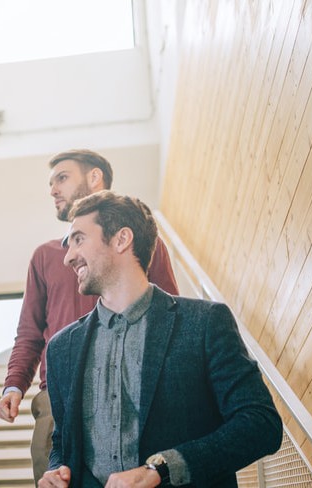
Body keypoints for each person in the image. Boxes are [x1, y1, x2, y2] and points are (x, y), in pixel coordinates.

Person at [39, 191, 282, 487]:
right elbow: (63, 442)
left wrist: (163, 467)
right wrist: (57, 469)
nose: (67, 257)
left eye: (78, 239)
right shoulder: (61, 348)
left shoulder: (205, 323)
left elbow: (260, 424)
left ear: (121, 239)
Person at [0, 149, 179, 483]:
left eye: (62, 178)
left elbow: (171, 314)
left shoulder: (144, 245)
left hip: (136, 385)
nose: (52, 189)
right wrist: (14, 384)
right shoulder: (46, 256)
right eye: (50, 183)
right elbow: (30, 332)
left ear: (95, 178)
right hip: (59, 395)